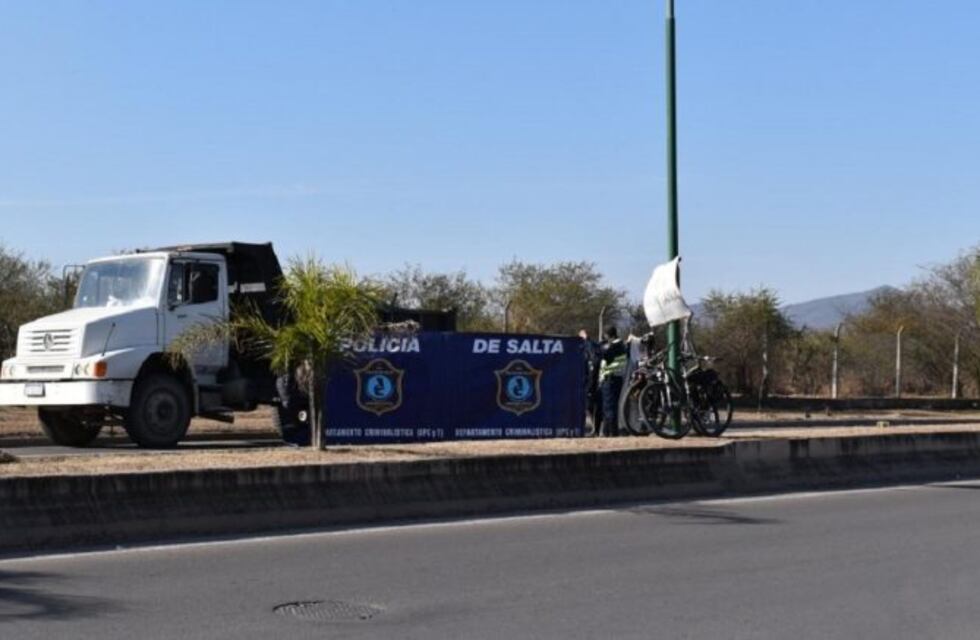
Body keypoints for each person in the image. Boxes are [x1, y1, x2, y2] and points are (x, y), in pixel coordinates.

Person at [598, 326, 628, 437]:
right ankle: (607, 432)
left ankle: (612, 433)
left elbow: (604, 355)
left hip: (611, 379)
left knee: (609, 408)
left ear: (608, 335)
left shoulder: (615, 346)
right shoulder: (621, 345)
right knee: (610, 408)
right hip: (615, 379)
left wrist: (597, 346)